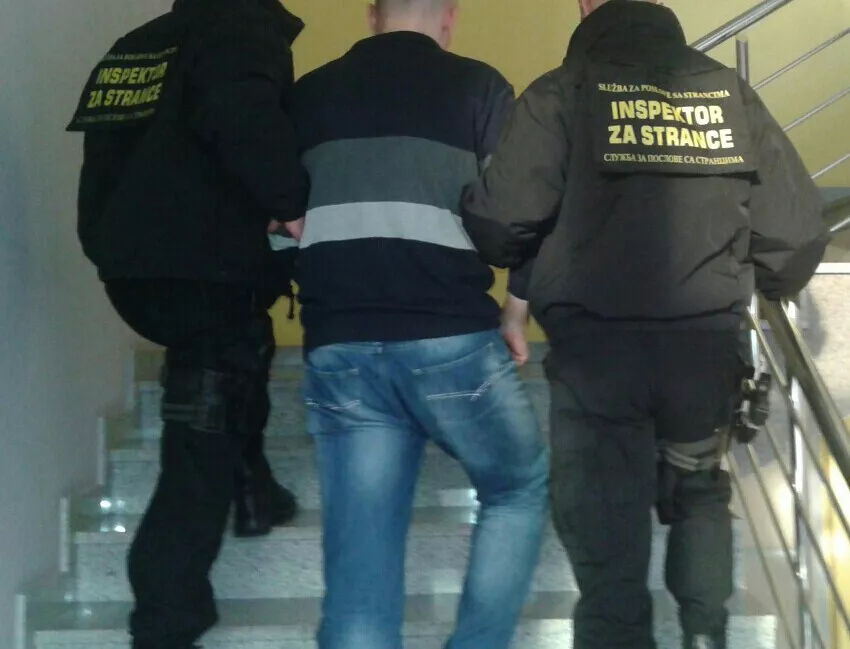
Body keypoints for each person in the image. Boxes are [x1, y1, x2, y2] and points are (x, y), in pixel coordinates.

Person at [460, 1, 829, 648]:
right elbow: (796, 233)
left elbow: (500, 219)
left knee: (604, 523)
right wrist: (756, 284)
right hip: (703, 348)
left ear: (584, 4)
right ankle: (706, 634)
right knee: (700, 492)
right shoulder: (724, 90)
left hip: (596, 356)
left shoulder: (562, 92)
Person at [283, 1, 549, 647]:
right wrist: (516, 312)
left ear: (371, 15)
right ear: (449, 17)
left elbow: (278, 221)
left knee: (360, 558)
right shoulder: (480, 87)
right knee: (517, 486)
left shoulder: (309, 93)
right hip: (450, 337)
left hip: (339, 342)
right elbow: (518, 213)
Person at [66, 0, 308, 646]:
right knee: (200, 445)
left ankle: (255, 489)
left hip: (135, 270)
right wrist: (293, 204)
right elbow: (242, 117)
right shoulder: (241, 27)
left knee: (236, 363)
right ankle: (165, 619)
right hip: (206, 270)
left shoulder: (143, 41)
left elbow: (105, 156)